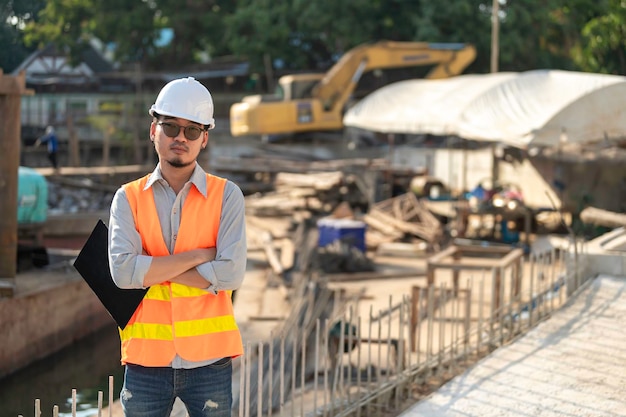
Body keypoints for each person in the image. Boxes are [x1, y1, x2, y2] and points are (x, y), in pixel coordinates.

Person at [107, 77, 247, 417]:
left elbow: (230, 274)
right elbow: (123, 274)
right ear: (153, 130)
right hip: (145, 363)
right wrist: (200, 256)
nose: (180, 138)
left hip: (209, 362)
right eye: (171, 127)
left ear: (205, 139)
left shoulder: (227, 196)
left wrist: (151, 270)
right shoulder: (127, 198)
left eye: (192, 131)